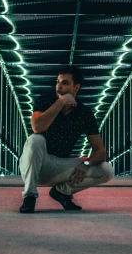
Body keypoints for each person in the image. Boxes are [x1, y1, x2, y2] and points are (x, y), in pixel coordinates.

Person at [18, 66, 114, 213]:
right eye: (57, 82)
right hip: (35, 164)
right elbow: (37, 127)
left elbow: (100, 152)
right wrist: (61, 102)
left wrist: (86, 164)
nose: (59, 87)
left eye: (64, 83)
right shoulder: (45, 100)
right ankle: (29, 197)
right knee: (35, 139)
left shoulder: (84, 113)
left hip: (57, 167)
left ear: (76, 87)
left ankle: (62, 192)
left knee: (106, 169)